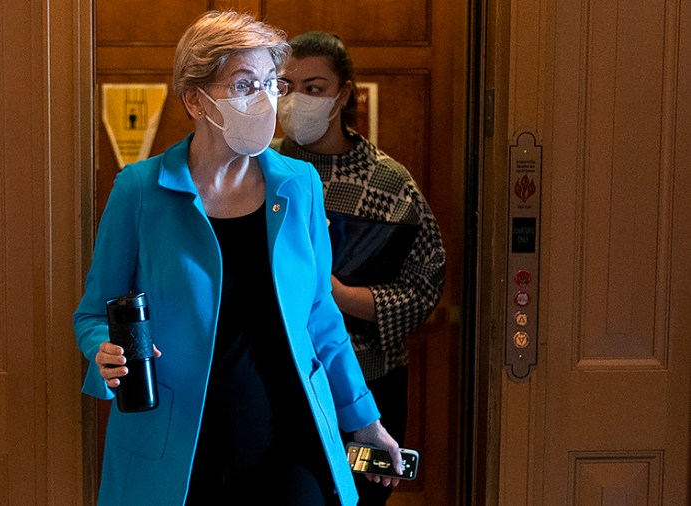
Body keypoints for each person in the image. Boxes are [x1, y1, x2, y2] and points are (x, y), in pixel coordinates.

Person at [73, 11, 402, 506]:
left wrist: (364, 418)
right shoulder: (140, 191)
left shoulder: (299, 185)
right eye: (244, 84)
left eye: (271, 82)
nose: (265, 98)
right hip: (177, 445)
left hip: (290, 439)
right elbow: (94, 313)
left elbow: (320, 316)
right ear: (195, 100)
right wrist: (106, 350)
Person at [274, 31, 447, 505]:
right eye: (285, 86)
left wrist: (336, 295)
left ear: (343, 93)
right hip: (278, 375)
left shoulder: (389, 184)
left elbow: (425, 288)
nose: (296, 100)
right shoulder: (255, 170)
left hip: (371, 380)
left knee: (361, 498)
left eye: (313, 88)